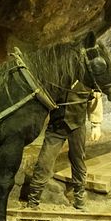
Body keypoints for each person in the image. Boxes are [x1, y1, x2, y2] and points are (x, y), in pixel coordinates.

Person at [26, 82, 102, 210]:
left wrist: (96, 124)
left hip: (77, 125)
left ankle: (79, 199)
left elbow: (95, 97)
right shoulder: (59, 76)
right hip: (57, 126)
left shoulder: (86, 78)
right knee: (45, 161)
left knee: (78, 160)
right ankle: (33, 200)